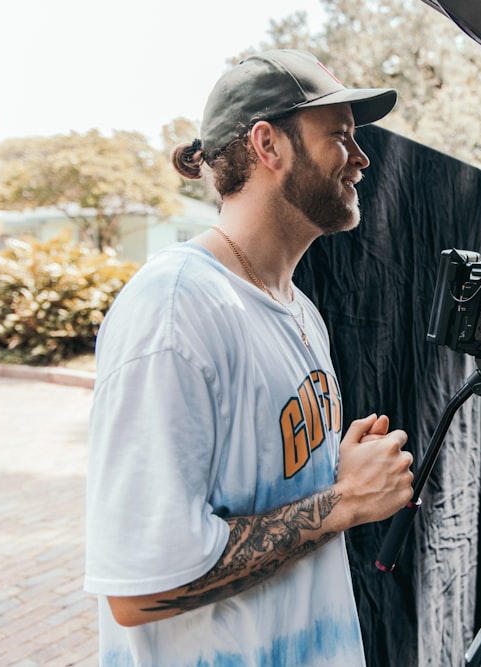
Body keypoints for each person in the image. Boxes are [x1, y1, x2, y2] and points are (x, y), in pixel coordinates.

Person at [84, 49, 415, 666]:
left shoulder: (297, 307)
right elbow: (141, 590)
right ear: (269, 145)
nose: (363, 159)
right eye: (341, 137)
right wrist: (343, 502)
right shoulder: (175, 309)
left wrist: (331, 476)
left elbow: (275, 501)